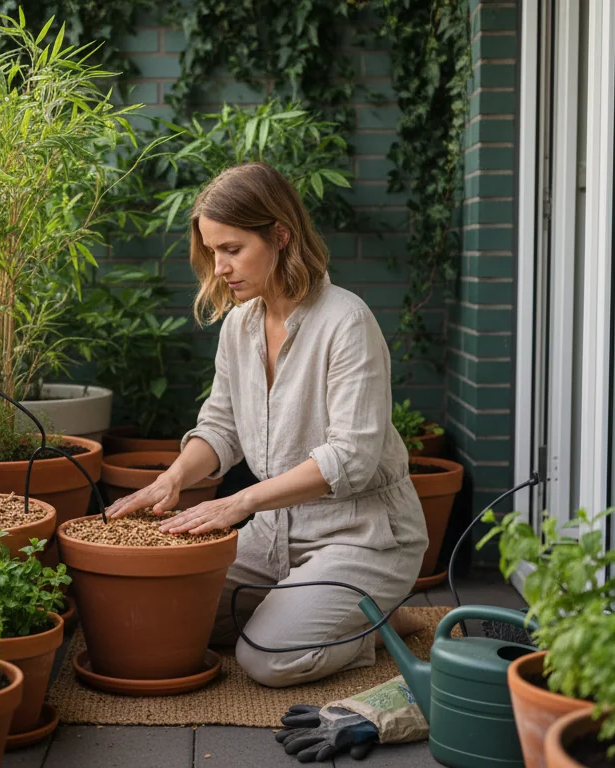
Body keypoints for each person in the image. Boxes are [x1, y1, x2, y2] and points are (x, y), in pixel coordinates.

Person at [106, 162, 429, 689]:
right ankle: (337, 610)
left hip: (362, 535)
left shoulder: (347, 322)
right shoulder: (241, 323)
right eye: (213, 252)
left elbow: (351, 458)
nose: (219, 267)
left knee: (266, 657)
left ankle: (369, 621)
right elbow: (222, 426)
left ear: (280, 235)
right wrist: (174, 479)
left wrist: (237, 503)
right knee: (171, 620)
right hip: (275, 531)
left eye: (232, 250)